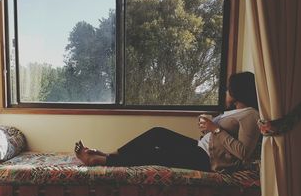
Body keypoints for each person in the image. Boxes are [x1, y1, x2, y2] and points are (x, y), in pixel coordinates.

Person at [75, 71, 260, 172]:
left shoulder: (251, 115)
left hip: (208, 160)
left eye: (229, 89)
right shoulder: (235, 111)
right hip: (200, 148)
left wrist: (216, 130)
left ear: (237, 92)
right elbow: (217, 136)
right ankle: (109, 155)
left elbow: (244, 154)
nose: (226, 93)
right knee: (157, 133)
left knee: (156, 154)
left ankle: (100, 160)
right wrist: (207, 129)